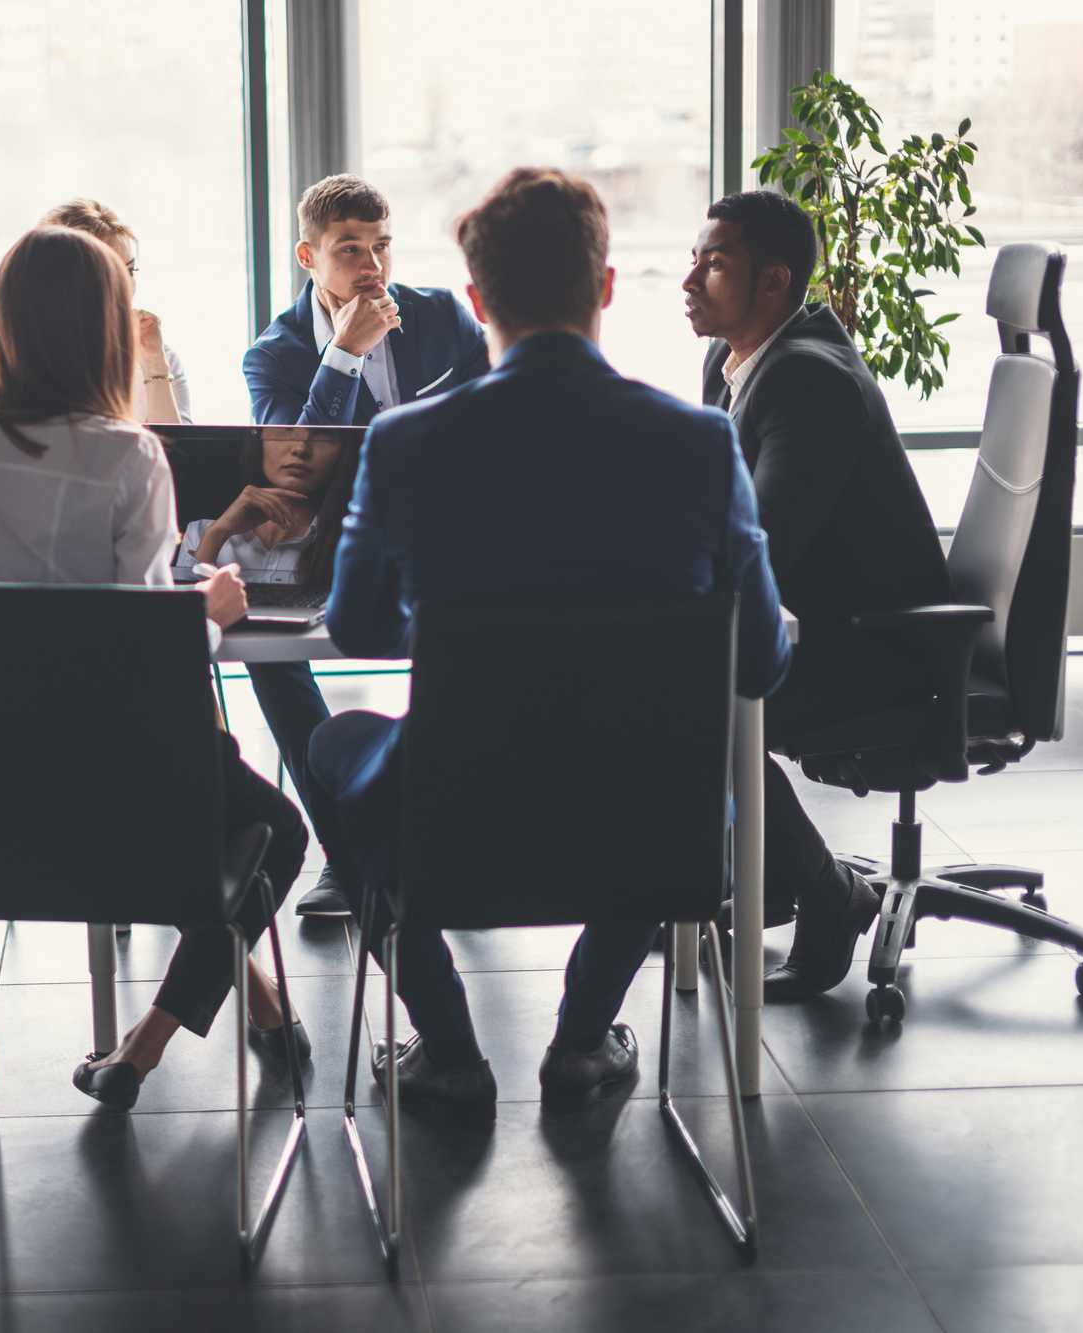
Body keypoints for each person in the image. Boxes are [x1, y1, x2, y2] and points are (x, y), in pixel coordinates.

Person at [307, 168, 791, 1114]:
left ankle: (448, 1045)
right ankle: (579, 1038)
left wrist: (465, 621)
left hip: (456, 818)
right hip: (648, 828)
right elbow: (763, 658)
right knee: (662, 770)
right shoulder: (698, 443)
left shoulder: (404, 444)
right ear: (605, 286)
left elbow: (358, 624)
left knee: (332, 747)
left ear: (477, 299)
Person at [0, 224, 310, 1110]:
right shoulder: (128, 456)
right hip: (122, 778)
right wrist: (207, 607)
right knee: (271, 828)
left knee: (205, 808)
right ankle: (146, 1043)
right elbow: (149, 657)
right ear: (109, 331)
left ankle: (228, 1018)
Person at [684, 189, 952, 1000]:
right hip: (815, 622)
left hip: (873, 648)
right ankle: (768, 880)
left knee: (693, 710)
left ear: (773, 283)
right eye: (696, 257)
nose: (690, 277)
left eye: (715, 261)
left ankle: (829, 894)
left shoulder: (805, 377)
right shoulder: (736, 359)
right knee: (677, 683)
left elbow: (760, 539)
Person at [240, 175, 492, 919]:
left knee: (479, 634)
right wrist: (343, 357)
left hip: (445, 538)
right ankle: (348, 847)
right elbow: (299, 470)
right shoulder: (275, 356)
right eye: (350, 249)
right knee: (263, 653)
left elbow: (488, 420)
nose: (373, 265)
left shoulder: (441, 317)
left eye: (381, 245)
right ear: (307, 256)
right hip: (328, 543)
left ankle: (439, 831)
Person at [0, 198, 190, 425]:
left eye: (129, 270)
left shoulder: (160, 357)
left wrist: (155, 366)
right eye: (106, 273)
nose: (125, 286)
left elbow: (184, 458)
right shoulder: (8, 351)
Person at [174, 425, 356, 591]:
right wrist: (217, 534)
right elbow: (183, 613)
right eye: (286, 428)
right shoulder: (202, 532)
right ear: (259, 436)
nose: (300, 449)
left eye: (323, 433)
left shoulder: (352, 542)